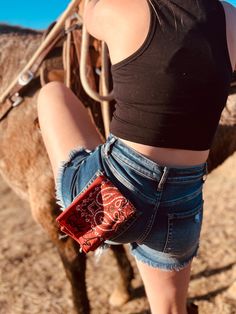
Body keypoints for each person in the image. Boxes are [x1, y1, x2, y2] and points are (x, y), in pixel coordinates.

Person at [37, 0, 236, 313]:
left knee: (51, 93)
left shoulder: (117, 10)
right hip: (182, 209)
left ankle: (84, 205)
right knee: (171, 310)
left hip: (105, 207)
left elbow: (88, 18)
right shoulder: (230, 16)